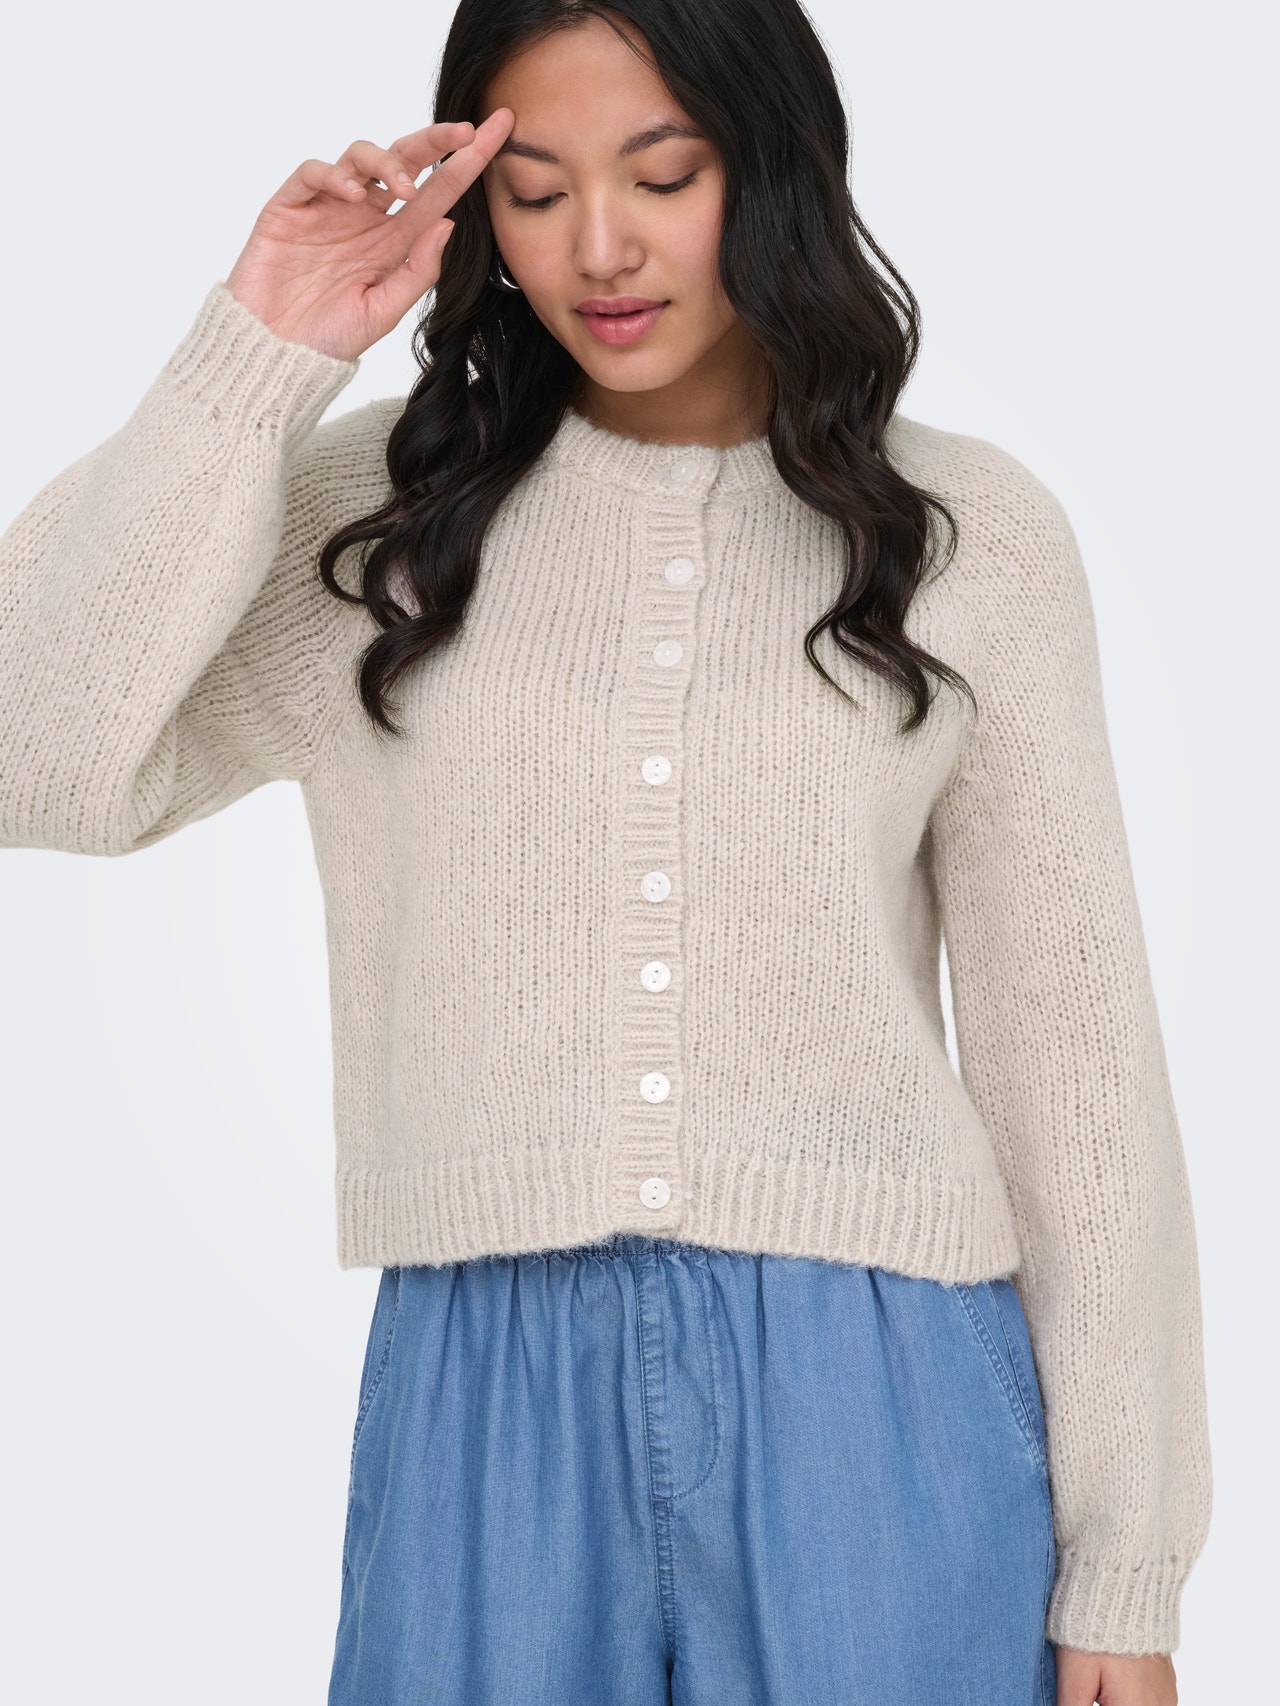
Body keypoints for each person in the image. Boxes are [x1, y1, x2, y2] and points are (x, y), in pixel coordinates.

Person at [0, 1, 1212, 1702]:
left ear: (771, 172)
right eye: (537, 190)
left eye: (664, 173)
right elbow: (35, 758)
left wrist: (1127, 1567)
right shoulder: (382, 524)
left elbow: (1072, 1066)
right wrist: (256, 353)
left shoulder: (963, 536)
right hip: (482, 1394)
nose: (600, 248)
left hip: (879, 1397)